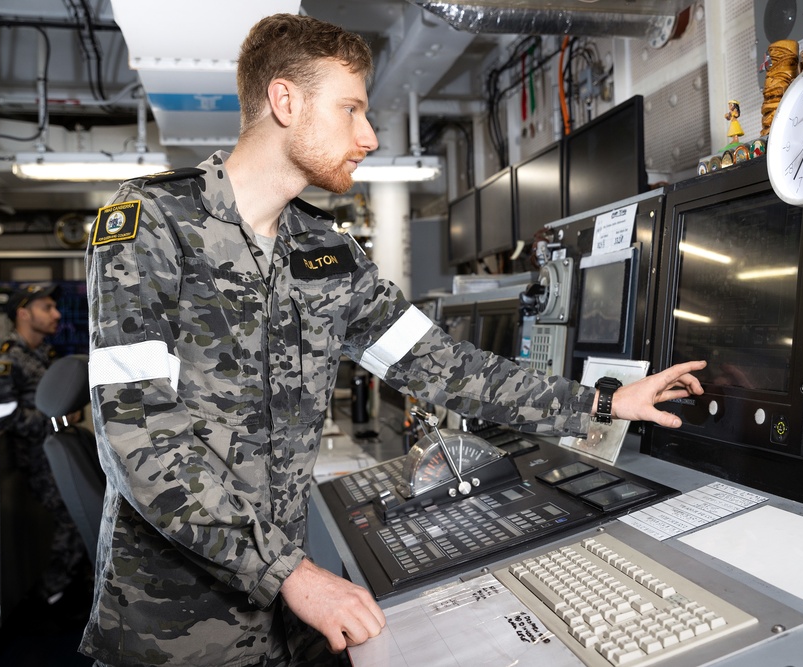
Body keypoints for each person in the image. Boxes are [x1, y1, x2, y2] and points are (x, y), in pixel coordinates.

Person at [81, 13, 706, 667]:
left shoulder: (328, 253)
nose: (370, 136)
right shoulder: (150, 224)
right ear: (285, 101)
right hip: (172, 632)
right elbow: (137, 434)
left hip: (283, 628)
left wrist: (601, 403)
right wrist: (290, 572)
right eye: (350, 109)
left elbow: (442, 366)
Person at [0, 283, 88, 608]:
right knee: (72, 520)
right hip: (37, 458)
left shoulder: (43, 353)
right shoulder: (7, 358)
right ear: (23, 313)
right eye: (46, 307)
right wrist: (56, 420)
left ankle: (68, 590)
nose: (56, 314)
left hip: (56, 450)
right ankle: (48, 600)